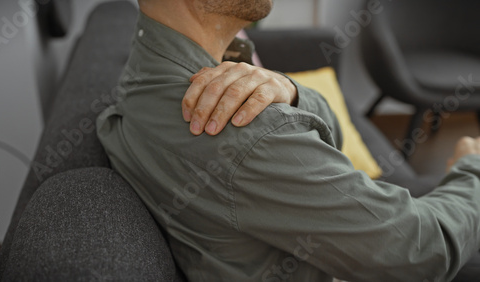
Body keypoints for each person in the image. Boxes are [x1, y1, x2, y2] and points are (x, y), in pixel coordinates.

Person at [96, 0, 480, 281]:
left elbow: (335, 140)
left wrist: (293, 92)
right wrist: (471, 169)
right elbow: (424, 251)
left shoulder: (147, 76)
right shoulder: (241, 131)